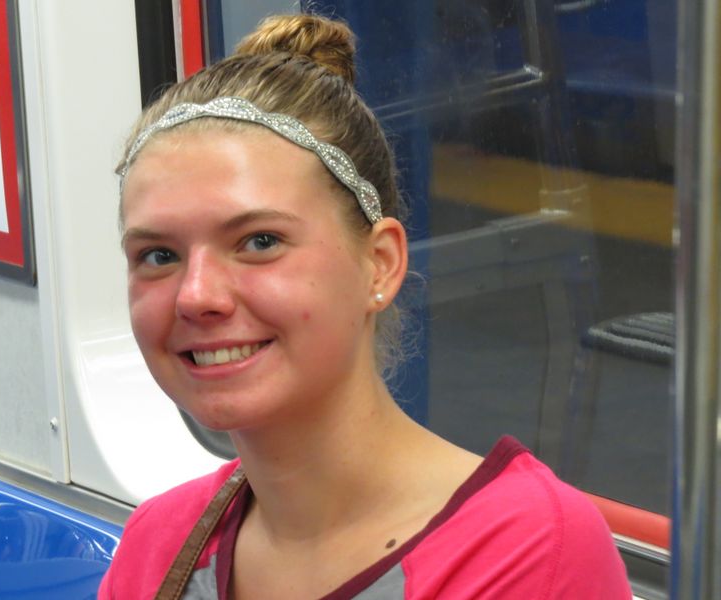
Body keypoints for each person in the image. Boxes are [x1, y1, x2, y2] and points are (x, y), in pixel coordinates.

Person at [99, 14, 630, 600]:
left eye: (259, 242)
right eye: (158, 255)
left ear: (379, 264)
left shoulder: (527, 552)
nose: (197, 295)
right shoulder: (161, 543)